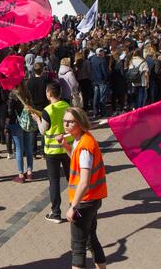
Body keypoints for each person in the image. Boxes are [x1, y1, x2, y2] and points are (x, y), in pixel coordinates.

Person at [59, 107, 107, 269]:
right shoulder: (82, 139)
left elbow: (84, 181)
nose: (66, 125)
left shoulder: (85, 146)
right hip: (92, 199)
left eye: (70, 122)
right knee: (91, 238)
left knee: (78, 247)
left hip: (84, 202)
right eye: (64, 121)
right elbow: (77, 161)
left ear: (79, 122)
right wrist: (66, 146)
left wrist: (73, 207)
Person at [34, 81, 72, 223]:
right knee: (71, 179)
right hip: (66, 147)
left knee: (54, 182)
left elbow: (43, 130)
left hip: (52, 151)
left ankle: (56, 212)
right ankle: (74, 208)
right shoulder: (67, 106)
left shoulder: (47, 110)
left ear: (49, 94)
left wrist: (37, 119)